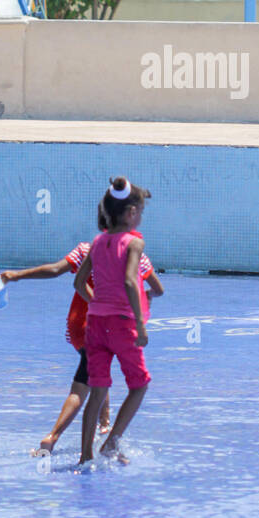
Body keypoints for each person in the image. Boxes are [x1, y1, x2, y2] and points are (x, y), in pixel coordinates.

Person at [0, 233, 162, 454]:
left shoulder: (89, 249)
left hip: (79, 327)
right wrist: (144, 298)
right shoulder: (137, 255)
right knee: (82, 387)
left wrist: (18, 275)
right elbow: (155, 288)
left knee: (98, 375)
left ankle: (103, 425)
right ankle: (53, 436)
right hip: (107, 326)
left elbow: (56, 270)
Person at [75, 176, 154, 464]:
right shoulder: (133, 243)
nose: (141, 218)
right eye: (141, 212)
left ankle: (85, 455)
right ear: (131, 212)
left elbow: (79, 283)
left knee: (98, 389)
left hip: (96, 324)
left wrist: (96, 301)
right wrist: (141, 326)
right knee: (139, 384)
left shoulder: (97, 242)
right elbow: (132, 282)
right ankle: (110, 443)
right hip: (123, 323)